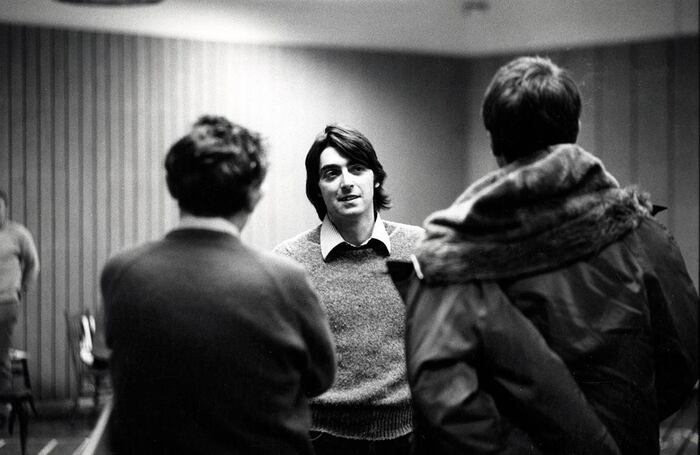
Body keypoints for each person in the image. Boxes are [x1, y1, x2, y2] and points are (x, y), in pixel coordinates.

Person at [400, 56, 698, 454]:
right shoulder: (644, 236)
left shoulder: (453, 257)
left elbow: (445, 399)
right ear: (574, 129)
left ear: (494, 142)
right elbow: (684, 361)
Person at [101, 115, 336, 454]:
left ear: (173, 187)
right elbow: (320, 379)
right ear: (254, 196)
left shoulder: (122, 271)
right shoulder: (286, 280)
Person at [274, 125, 423, 455]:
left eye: (357, 168)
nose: (346, 182)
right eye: (331, 173)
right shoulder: (289, 261)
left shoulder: (419, 246)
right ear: (318, 189)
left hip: (409, 438)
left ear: (375, 178)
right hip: (321, 440)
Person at [0, 190, 39, 394]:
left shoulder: (18, 234)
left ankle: (3, 410)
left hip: (6, 304)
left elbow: (32, 264)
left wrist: (21, 289)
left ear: (5, 208)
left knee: (0, 355)